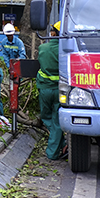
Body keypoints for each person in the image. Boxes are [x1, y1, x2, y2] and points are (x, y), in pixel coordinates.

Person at [37, 21, 67, 160]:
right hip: (60, 91)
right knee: (57, 122)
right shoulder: (65, 50)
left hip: (45, 89)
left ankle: (52, 153)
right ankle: (61, 144)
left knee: (46, 117)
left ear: (53, 33)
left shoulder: (43, 48)